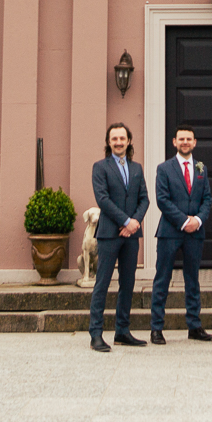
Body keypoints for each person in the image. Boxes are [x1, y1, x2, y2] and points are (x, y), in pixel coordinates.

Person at [88, 122, 149, 352]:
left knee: (128, 283)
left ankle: (122, 330)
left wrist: (134, 223)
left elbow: (145, 199)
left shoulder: (136, 168)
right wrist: (126, 221)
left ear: (129, 141)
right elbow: (102, 199)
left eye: (122, 138)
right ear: (108, 142)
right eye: (114, 139)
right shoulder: (100, 167)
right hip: (109, 234)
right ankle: (96, 334)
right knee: (102, 284)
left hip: (131, 236)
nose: (119, 142)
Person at [150, 124, 212, 343]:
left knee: (193, 279)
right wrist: (183, 220)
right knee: (162, 279)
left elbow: (207, 198)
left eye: (189, 139)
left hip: (195, 233)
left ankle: (194, 326)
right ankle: (157, 327)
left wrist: (197, 220)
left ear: (195, 142)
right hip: (170, 232)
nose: (185, 142)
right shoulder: (164, 168)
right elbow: (162, 200)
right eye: (181, 139)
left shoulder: (201, 168)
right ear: (174, 142)